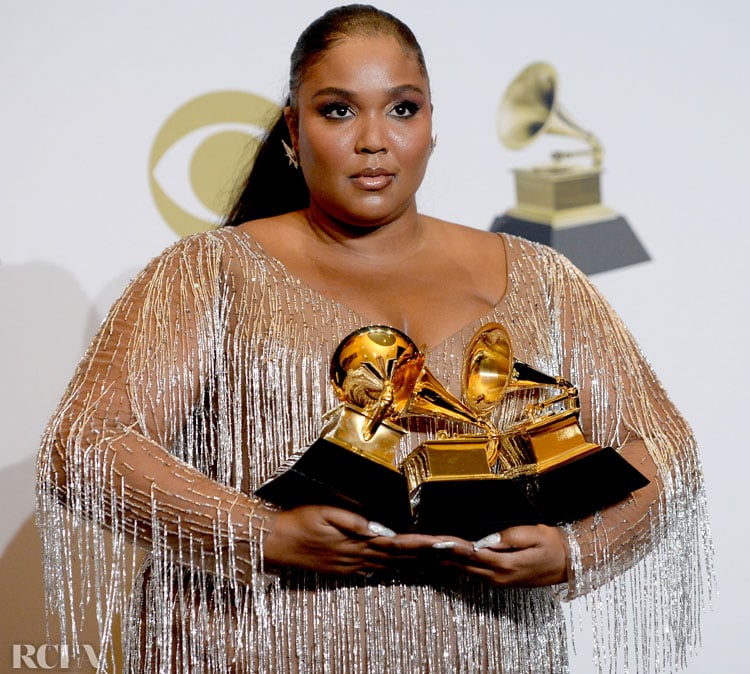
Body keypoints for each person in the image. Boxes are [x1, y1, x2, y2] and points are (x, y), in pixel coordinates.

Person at [37, 4, 712, 673]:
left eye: (402, 109)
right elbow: (85, 445)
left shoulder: (539, 276)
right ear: (292, 134)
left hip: (484, 654)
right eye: (338, 110)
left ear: (431, 128)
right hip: (246, 650)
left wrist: (572, 550)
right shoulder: (210, 269)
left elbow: (664, 450)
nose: (373, 140)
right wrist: (265, 535)